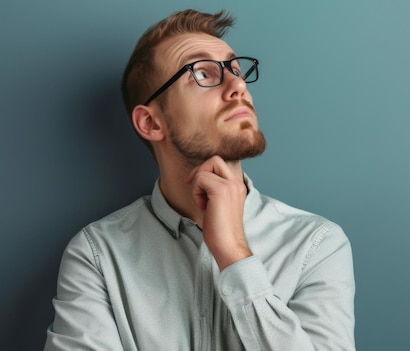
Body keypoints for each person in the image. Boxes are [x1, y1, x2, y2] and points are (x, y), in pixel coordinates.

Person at [44, 8, 355, 351]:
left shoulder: (316, 245)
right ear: (151, 123)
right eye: (203, 74)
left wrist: (236, 256)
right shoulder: (97, 255)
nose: (238, 86)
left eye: (236, 70)